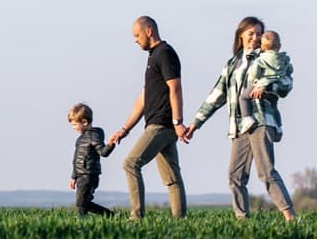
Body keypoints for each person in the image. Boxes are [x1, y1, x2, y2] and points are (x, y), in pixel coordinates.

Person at [184, 16, 297, 221]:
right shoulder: (232, 64)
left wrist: (266, 86)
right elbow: (217, 95)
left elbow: (286, 84)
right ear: (241, 35)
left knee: (265, 171)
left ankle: (290, 216)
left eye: (259, 34)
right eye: (251, 33)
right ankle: (242, 219)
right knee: (235, 175)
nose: (255, 38)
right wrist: (195, 124)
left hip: (261, 120)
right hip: (239, 125)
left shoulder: (269, 58)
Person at [106, 16, 188, 220]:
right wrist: (124, 129)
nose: (135, 40)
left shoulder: (165, 53)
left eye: (137, 35)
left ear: (149, 30)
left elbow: (175, 88)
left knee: (131, 163)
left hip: (162, 124)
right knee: (171, 177)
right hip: (157, 123)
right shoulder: (153, 57)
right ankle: (180, 220)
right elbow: (143, 99)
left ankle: (136, 217)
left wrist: (177, 122)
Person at [237, 29, 292, 134]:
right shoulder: (283, 58)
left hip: (260, 84)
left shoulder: (261, 59)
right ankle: (279, 127)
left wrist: (253, 81)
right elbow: (289, 69)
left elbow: (254, 72)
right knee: (274, 106)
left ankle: (247, 118)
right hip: (274, 83)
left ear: (262, 47)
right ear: (279, 45)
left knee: (243, 98)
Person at [68, 103, 116, 217]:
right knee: (83, 203)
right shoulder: (80, 139)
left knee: (81, 203)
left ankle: (83, 222)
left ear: (84, 122)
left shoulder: (94, 136)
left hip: (89, 174)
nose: (73, 128)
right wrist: (74, 176)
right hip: (81, 175)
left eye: (75, 124)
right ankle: (110, 215)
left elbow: (103, 152)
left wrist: (110, 145)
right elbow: (76, 160)